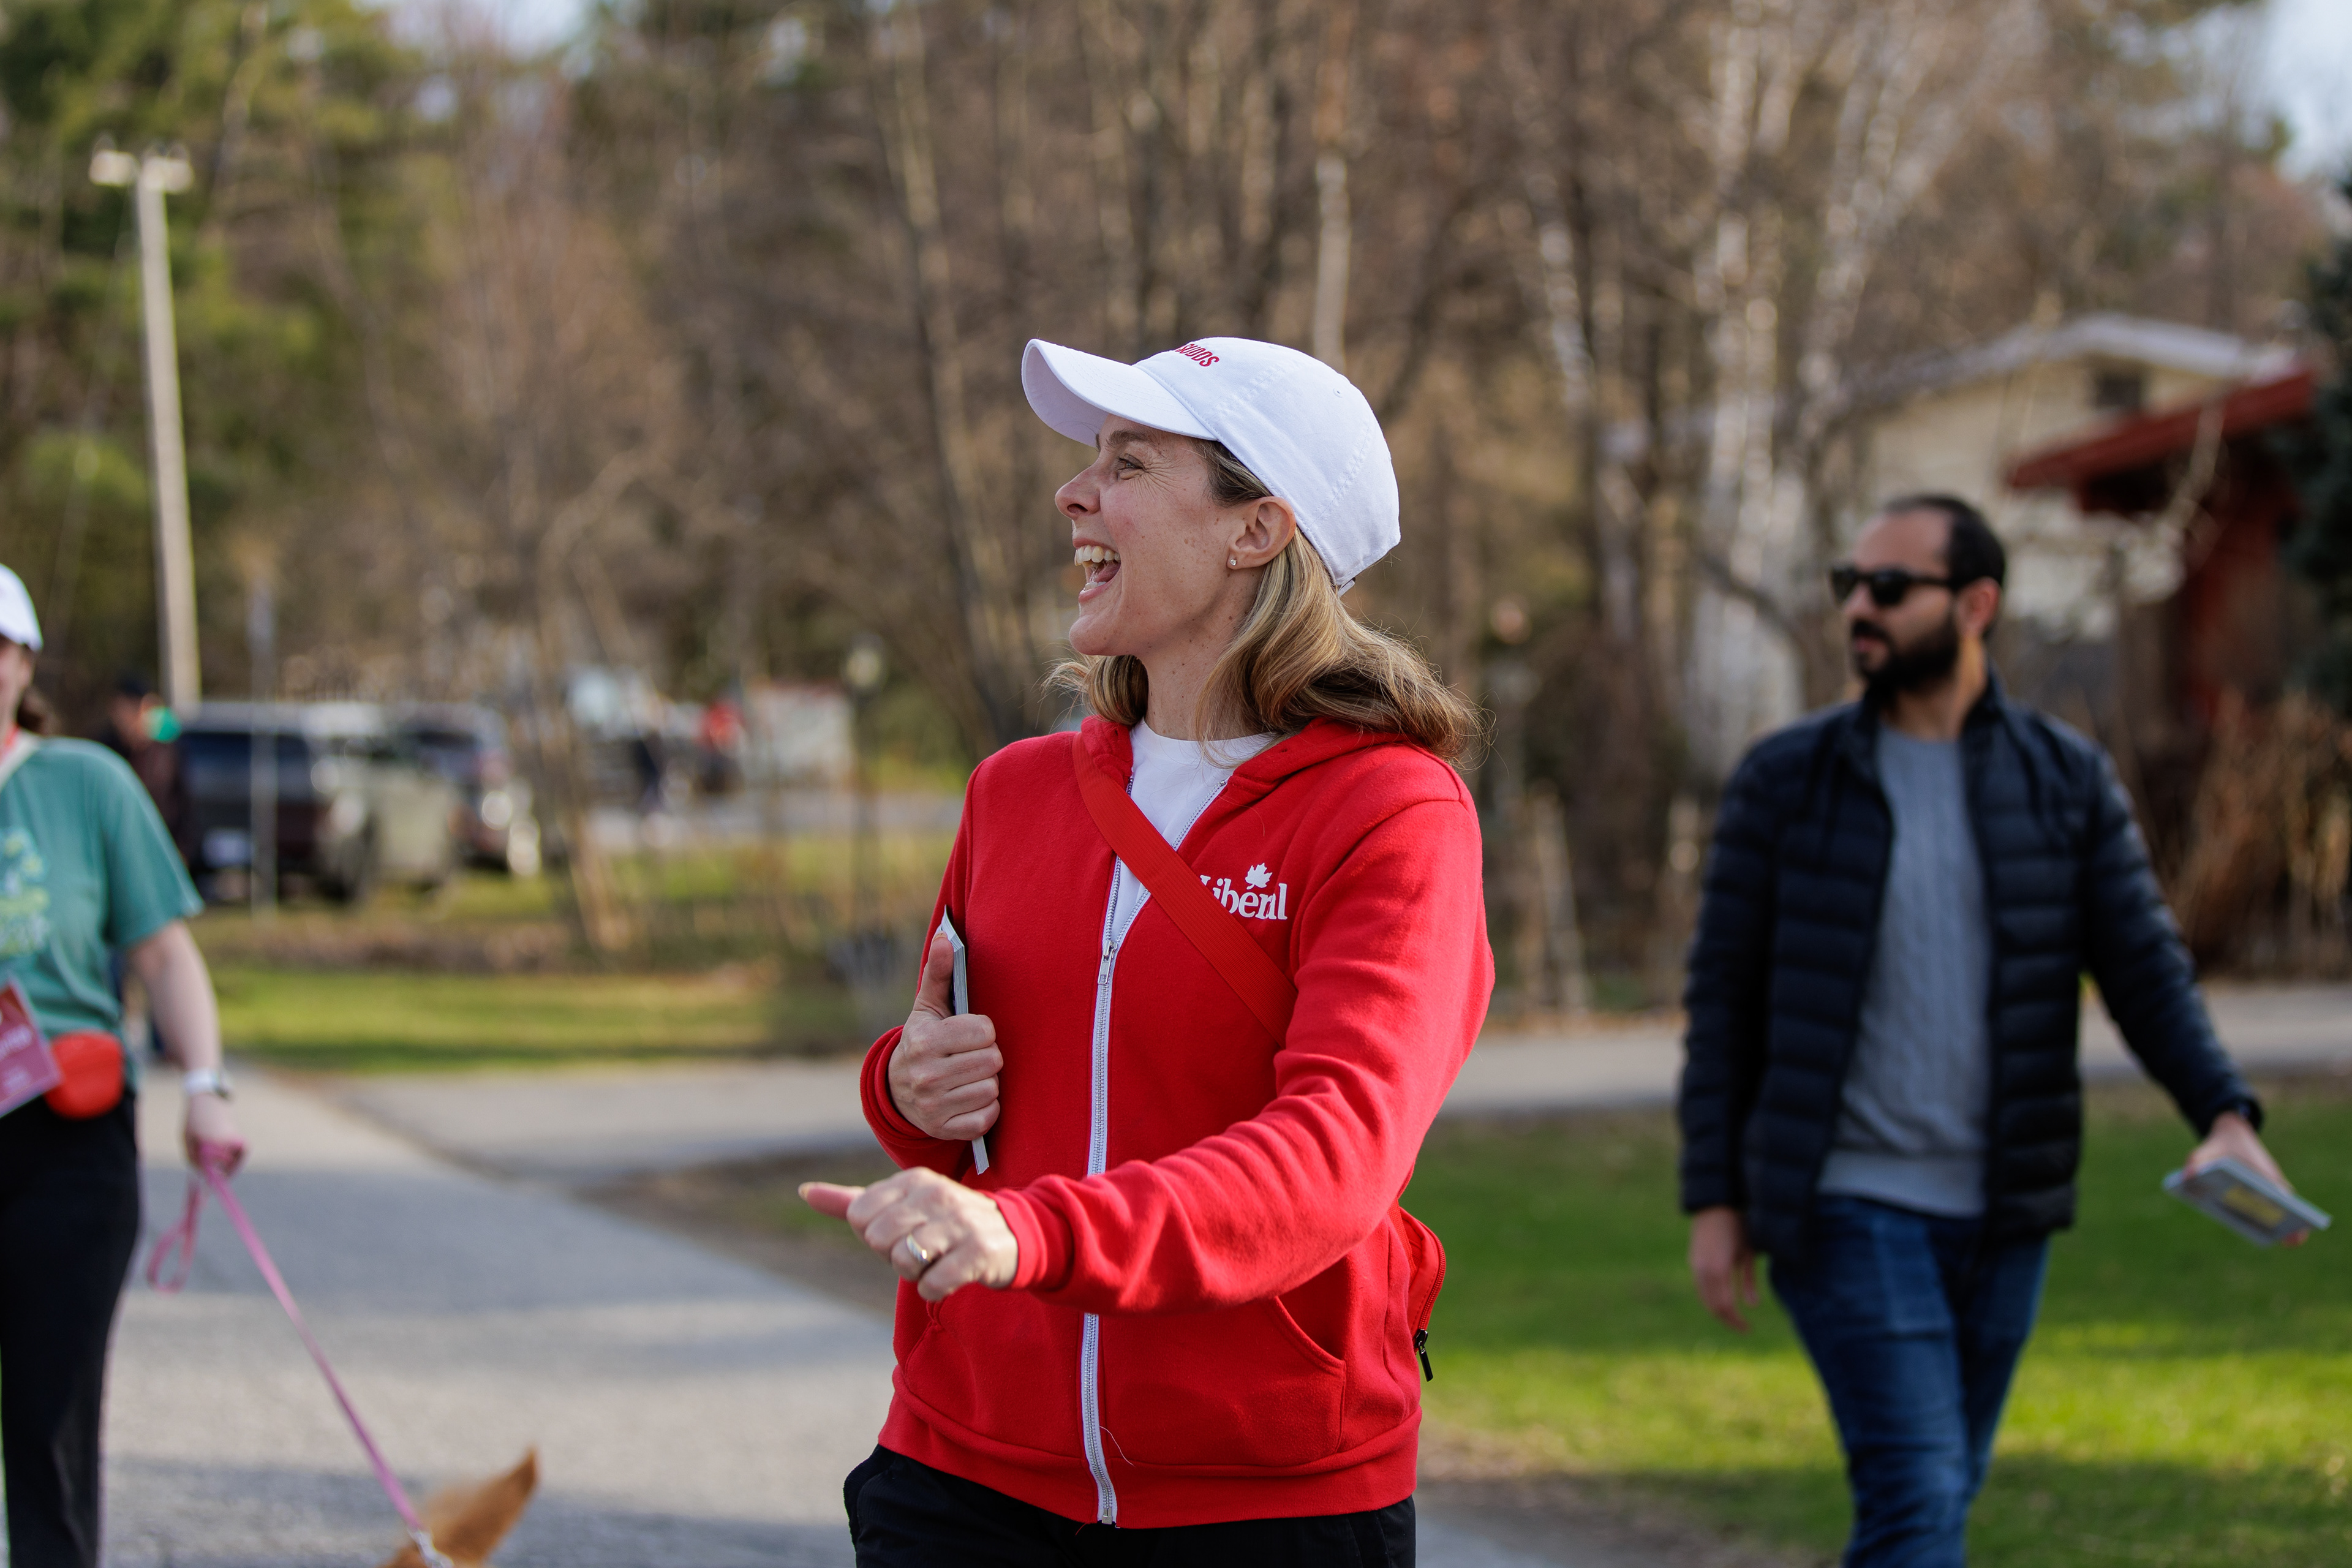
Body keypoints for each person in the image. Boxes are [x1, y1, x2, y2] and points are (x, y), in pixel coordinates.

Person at [801, 336, 1491, 1565]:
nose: (1075, 493)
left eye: (1129, 461)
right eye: (1088, 461)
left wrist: (1039, 1236)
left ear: (1256, 529)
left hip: (1267, 1499)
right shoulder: (1013, 791)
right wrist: (908, 1089)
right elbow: (959, 1099)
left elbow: (1335, 1158)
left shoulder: (1392, 811)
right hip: (960, 1469)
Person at [1676, 496, 2301, 1567]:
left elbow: (2145, 970)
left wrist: (2225, 1113)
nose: (1858, 610)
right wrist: (1715, 1200)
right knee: (1918, 1501)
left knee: (1938, 1497)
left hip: (2007, 1212)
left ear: (1976, 604)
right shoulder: (1788, 780)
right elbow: (1724, 998)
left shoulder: (2062, 781)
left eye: (1888, 587)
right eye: (1849, 585)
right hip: (1845, 1204)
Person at [0, 565, 246, 1567]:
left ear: (22, 664)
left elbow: (164, 953)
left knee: (49, 1425)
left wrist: (203, 1087)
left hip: (63, 1135)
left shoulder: (84, 785)